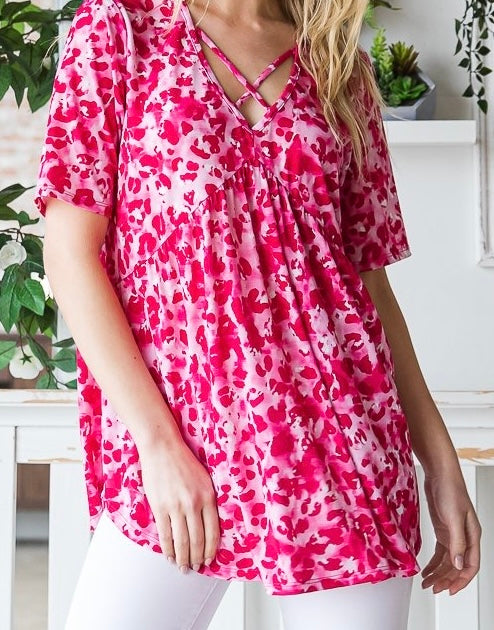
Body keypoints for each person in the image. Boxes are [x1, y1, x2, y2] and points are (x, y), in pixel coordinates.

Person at [34, 0, 481, 627]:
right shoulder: (121, 29)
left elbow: (367, 284)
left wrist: (439, 461)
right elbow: (69, 254)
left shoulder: (337, 64)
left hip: (343, 449)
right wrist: (158, 446)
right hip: (178, 440)